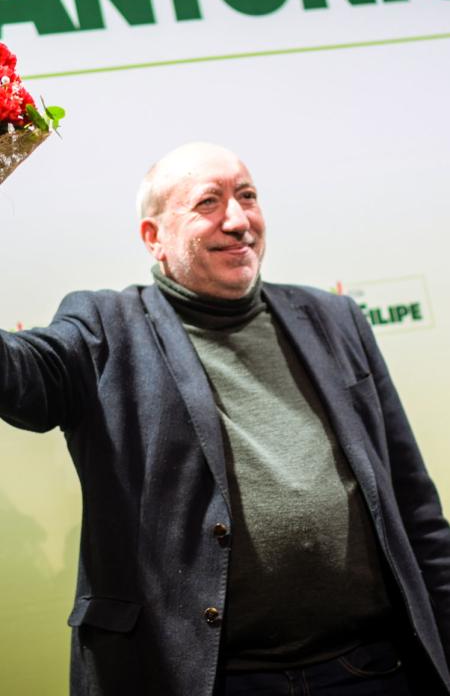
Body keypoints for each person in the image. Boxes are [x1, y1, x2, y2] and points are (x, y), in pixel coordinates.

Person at [0, 141, 449, 696]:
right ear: (154, 237)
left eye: (248, 196)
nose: (238, 221)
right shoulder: (105, 327)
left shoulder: (335, 318)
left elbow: (414, 507)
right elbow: (18, 378)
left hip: (370, 669)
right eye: (208, 202)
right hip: (208, 680)